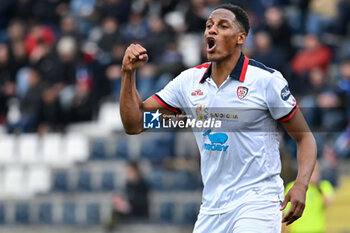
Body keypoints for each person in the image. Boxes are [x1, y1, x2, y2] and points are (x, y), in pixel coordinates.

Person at [120, 4, 317, 233]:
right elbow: (135, 123)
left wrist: (302, 184)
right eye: (209, 26)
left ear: (240, 37)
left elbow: (305, 138)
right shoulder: (188, 83)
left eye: (223, 26)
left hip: (257, 202)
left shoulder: (266, 81)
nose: (211, 31)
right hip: (212, 208)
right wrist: (128, 73)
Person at [284, 161, 334, 233]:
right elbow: (286, 212)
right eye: (312, 171)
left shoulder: (324, 186)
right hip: (298, 230)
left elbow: (328, 203)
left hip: (318, 230)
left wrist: (318, 187)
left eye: (317, 171)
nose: (315, 174)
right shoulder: (293, 187)